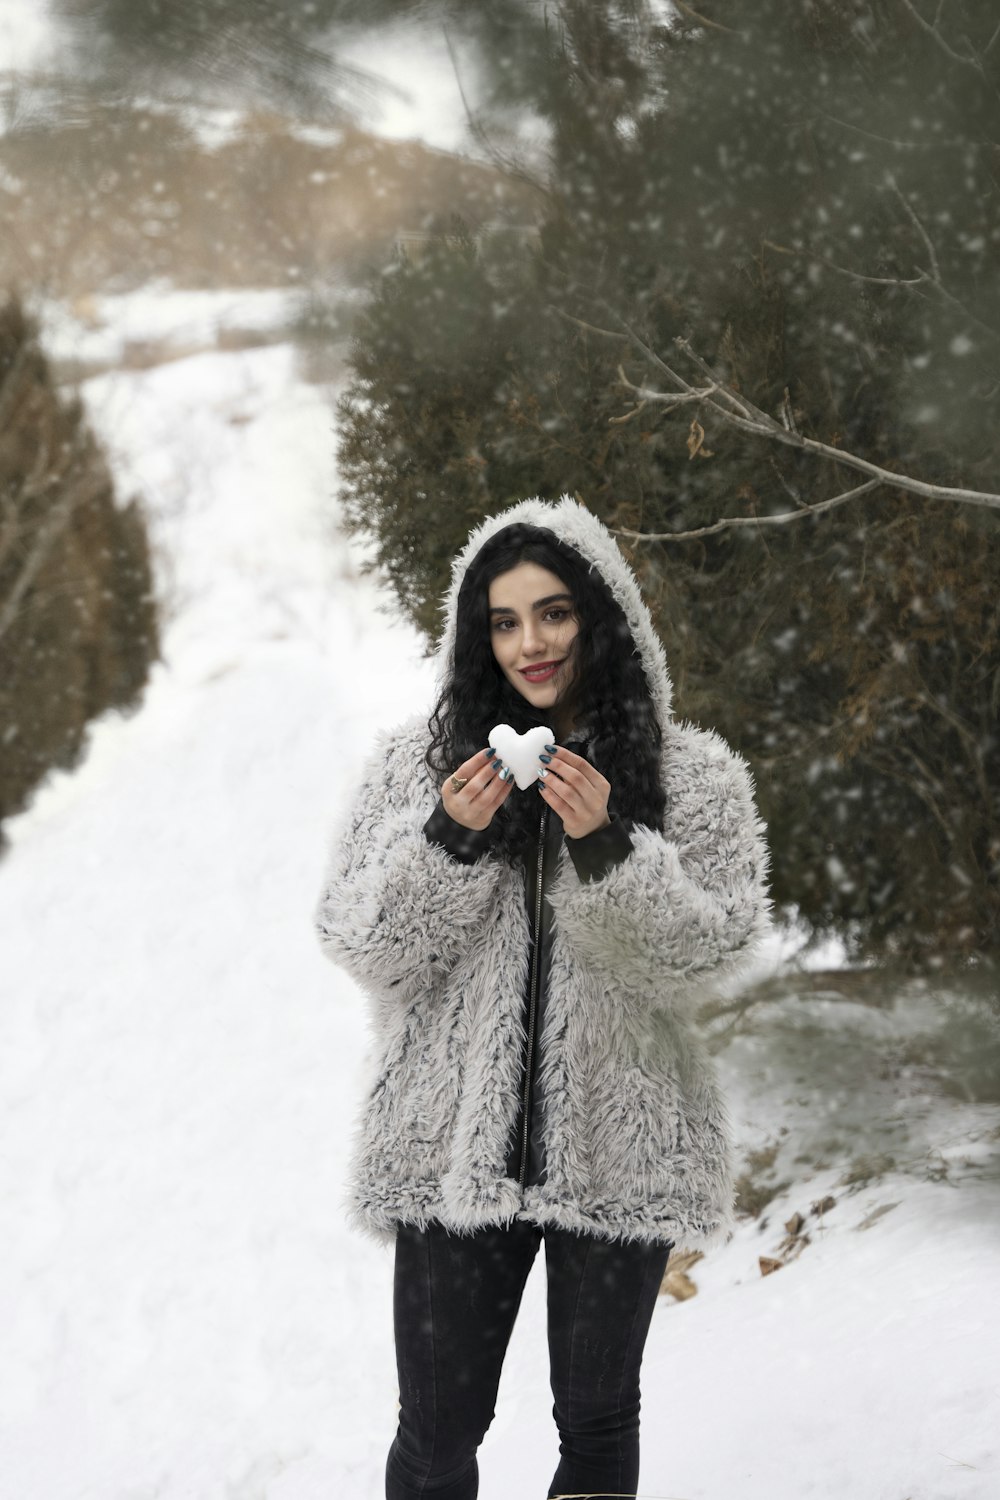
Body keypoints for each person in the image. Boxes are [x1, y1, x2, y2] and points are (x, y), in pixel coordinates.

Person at [315, 496, 771, 1500]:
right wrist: (446, 841)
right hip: (448, 1148)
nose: (532, 642)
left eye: (555, 612)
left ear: (601, 615)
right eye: (505, 620)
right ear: (476, 634)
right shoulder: (415, 767)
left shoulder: (691, 780)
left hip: (625, 1143)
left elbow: (710, 956)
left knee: (598, 1426)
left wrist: (609, 847)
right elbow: (361, 942)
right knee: (436, 1434)